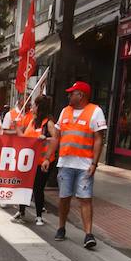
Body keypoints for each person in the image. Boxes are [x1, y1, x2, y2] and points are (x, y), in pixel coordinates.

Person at [53, 81, 106, 250]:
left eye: (72, 93)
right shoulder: (64, 111)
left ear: (81, 95)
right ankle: (61, 227)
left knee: (85, 199)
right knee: (64, 198)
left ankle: (88, 234)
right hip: (65, 163)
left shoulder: (95, 112)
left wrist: (94, 163)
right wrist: (48, 157)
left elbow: (99, 139)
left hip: (84, 165)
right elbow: (56, 136)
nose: (69, 96)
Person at [11, 95, 53, 226]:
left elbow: (56, 139)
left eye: (34, 105)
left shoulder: (48, 123)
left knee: (37, 188)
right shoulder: (32, 122)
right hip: (30, 161)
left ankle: (39, 216)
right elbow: (25, 138)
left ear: (39, 107)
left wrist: (45, 138)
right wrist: (16, 127)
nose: (32, 107)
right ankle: (21, 211)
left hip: (42, 162)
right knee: (24, 186)